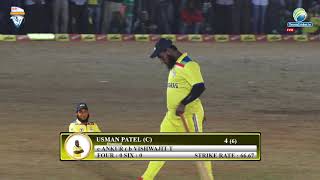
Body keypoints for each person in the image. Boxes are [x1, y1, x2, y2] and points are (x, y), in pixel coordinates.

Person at [138, 38, 214, 180]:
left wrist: (184, 103)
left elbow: (199, 87)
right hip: (173, 117)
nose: (161, 61)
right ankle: (146, 178)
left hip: (189, 116)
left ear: (168, 51)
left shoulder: (189, 65)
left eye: (161, 57)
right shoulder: (175, 65)